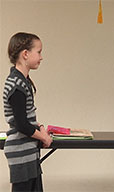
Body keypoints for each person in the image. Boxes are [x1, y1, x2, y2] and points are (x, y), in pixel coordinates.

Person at [3, 32, 53, 192]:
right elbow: (22, 124)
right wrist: (43, 136)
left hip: (28, 152)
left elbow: (27, 118)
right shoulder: (16, 84)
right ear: (25, 54)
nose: (41, 57)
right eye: (38, 52)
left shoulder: (22, 81)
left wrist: (41, 127)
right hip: (21, 154)